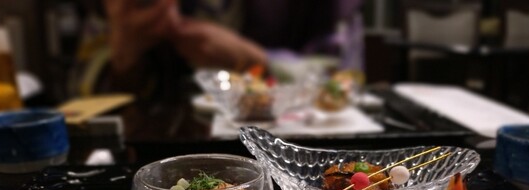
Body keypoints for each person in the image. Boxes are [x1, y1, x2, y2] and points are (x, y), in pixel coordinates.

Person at [92, 0, 363, 100]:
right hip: (154, 154)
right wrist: (124, 57)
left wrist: (259, 61)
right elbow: (79, 106)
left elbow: (343, 83)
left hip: (289, 149)